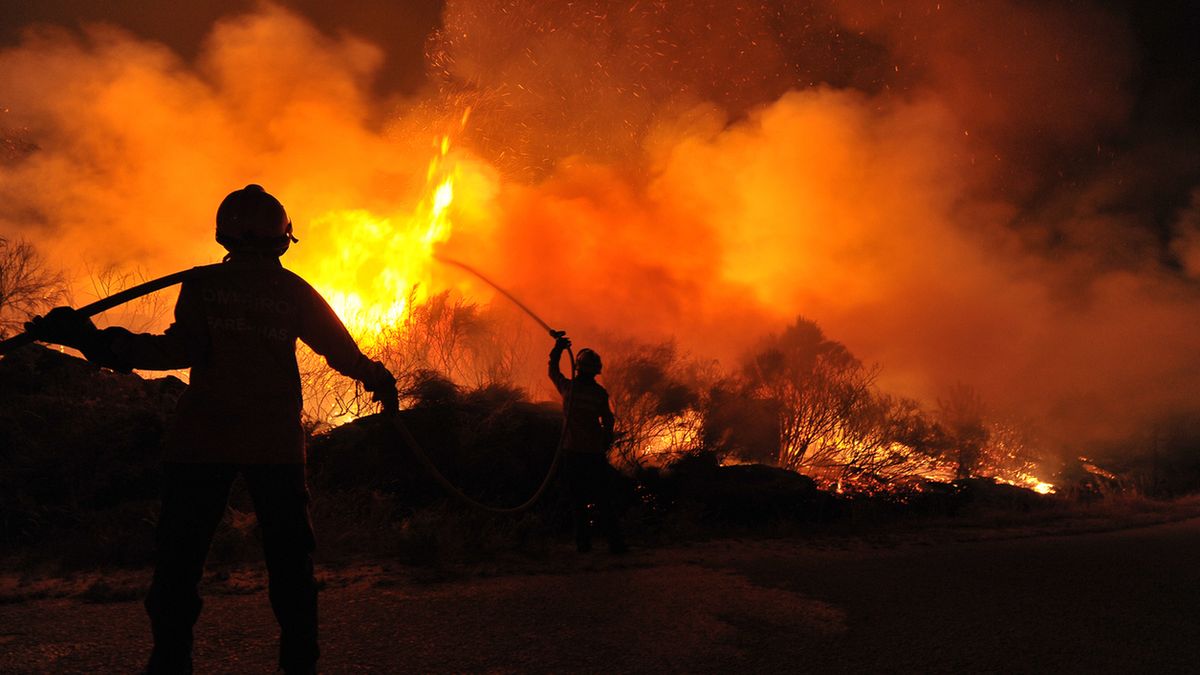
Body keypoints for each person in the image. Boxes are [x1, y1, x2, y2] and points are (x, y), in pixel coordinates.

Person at [24, 184, 397, 674]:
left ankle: (170, 661)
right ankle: (299, 664)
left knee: (179, 559)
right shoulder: (293, 291)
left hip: (202, 439)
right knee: (290, 564)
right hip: (275, 444)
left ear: (223, 235)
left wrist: (87, 338)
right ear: (284, 239)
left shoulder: (202, 285)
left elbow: (171, 352)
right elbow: (341, 352)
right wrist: (377, 377)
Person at [548, 333, 627, 554]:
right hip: (594, 454)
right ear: (596, 371)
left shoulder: (568, 389)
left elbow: (553, 371)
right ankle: (616, 544)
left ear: (578, 368)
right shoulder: (600, 394)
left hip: (572, 452)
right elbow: (608, 420)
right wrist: (607, 438)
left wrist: (558, 349)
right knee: (604, 499)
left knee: (577, 500)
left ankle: (584, 545)